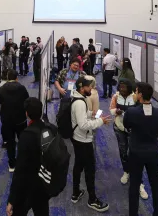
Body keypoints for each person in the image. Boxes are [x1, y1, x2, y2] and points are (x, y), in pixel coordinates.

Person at [123, 82, 158, 216]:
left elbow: (126, 126)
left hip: (136, 153)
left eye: (136, 92)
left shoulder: (131, 112)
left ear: (140, 95)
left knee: (134, 185)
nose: (134, 94)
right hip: (153, 153)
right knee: (156, 185)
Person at [71, 76, 110, 212]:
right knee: (90, 170)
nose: (91, 89)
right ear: (82, 88)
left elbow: (80, 116)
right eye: (89, 87)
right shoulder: (80, 102)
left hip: (78, 139)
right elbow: (83, 125)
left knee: (78, 166)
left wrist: (89, 113)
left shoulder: (77, 99)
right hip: (83, 141)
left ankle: (75, 193)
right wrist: (100, 122)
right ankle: (92, 200)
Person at [6, 97, 50, 216]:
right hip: (43, 184)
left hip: (27, 186)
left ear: (27, 114)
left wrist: (11, 199)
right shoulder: (49, 130)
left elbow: (20, 170)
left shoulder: (26, 136)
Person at [109, 79, 148, 200]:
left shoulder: (135, 97)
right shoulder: (116, 96)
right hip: (119, 128)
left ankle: (139, 182)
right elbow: (111, 110)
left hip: (133, 130)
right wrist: (116, 111)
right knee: (123, 151)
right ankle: (126, 171)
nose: (121, 89)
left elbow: (143, 111)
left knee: (135, 154)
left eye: (124, 87)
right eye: (120, 87)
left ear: (129, 88)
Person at [0, 70, 29, 172]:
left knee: (10, 143)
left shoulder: (2, 89)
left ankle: (12, 165)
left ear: (7, 77)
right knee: (23, 140)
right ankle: (23, 161)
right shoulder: (22, 88)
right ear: (16, 78)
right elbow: (27, 101)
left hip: (7, 120)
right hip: (20, 119)